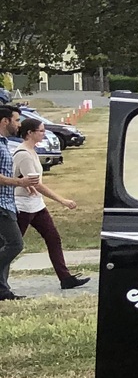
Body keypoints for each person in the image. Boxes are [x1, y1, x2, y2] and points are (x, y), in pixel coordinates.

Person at [13, 116, 88, 288]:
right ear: (30, 133)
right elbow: (36, 184)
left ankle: (65, 278)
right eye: (41, 131)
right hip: (23, 206)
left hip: (36, 205)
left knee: (53, 238)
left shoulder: (32, 151)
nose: (44, 134)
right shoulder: (23, 154)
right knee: (12, 245)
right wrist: (63, 200)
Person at [0, 106, 28, 301]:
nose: (19, 124)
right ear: (5, 121)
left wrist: (23, 181)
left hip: (8, 202)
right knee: (15, 244)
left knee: (4, 245)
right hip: (1, 205)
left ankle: (3, 291)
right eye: (16, 120)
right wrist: (19, 182)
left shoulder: (5, 143)